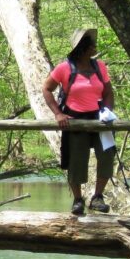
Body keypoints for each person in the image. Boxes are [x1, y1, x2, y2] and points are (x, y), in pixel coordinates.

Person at [42, 28, 115, 215]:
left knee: (106, 156)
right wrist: (58, 114)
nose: (94, 47)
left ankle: (97, 197)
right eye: (91, 44)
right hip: (75, 120)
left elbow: (107, 92)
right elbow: (46, 89)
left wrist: (107, 112)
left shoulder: (100, 66)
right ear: (82, 48)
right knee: (76, 160)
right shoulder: (64, 68)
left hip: (100, 120)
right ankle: (77, 199)